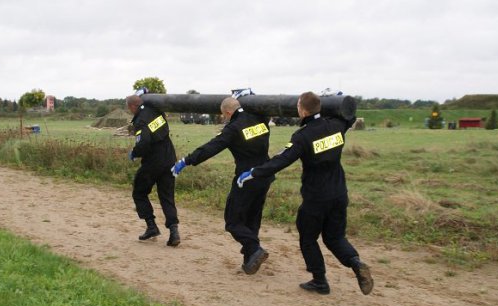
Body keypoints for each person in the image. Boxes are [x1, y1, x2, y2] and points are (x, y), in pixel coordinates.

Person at [237, 91, 373, 295]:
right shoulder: (336, 126)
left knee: (308, 238)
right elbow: (349, 115)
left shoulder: (303, 135)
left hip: (315, 197)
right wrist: (334, 103)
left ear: (301, 109)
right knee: (335, 237)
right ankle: (355, 263)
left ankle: (320, 281)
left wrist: (254, 172)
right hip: (339, 193)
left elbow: (282, 160)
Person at [172, 97, 273, 274]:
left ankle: (254, 248)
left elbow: (211, 147)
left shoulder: (233, 128)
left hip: (246, 178)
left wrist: (186, 161)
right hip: (266, 175)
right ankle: (250, 259)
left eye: (223, 115)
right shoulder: (260, 119)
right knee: (252, 218)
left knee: (233, 221)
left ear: (227, 112)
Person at [126, 94, 180, 247]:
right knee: (167, 196)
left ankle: (151, 226)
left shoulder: (140, 119)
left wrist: (135, 152)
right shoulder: (156, 111)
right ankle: (174, 232)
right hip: (169, 158)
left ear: (132, 107)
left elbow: (144, 142)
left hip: (153, 162)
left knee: (139, 192)